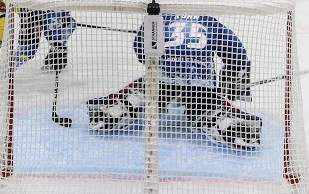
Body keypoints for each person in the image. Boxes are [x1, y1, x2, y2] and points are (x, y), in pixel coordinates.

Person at [84, 13, 260, 150]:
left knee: (146, 89)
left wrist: (158, 63)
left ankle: (124, 107)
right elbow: (238, 54)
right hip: (201, 82)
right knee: (208, 107)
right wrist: (232, 84)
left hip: (163, 79)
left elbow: (140, 48)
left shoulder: (161, 17)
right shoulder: (210, 21)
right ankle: (224, 123)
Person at [0, 0, 99, 100]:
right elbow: (50, 27)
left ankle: (52, 58)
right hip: (31, 9)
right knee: (28, 50)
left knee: (70, 24)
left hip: (43, 4)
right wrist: (57, 43)